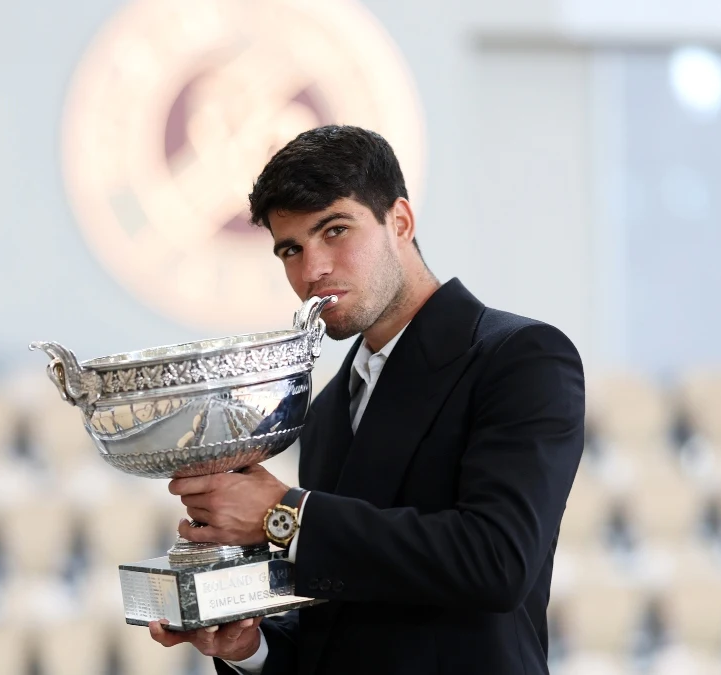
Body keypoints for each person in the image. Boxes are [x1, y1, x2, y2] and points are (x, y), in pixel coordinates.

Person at [148, 125, 585, 674]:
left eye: (335, 230)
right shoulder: (329, 407)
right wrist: (249, 649)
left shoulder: (521, 357)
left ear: (398, 221)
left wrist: (285, 516)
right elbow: (340, 631)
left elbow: (497, 561)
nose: (312, 271)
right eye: (291, 249)